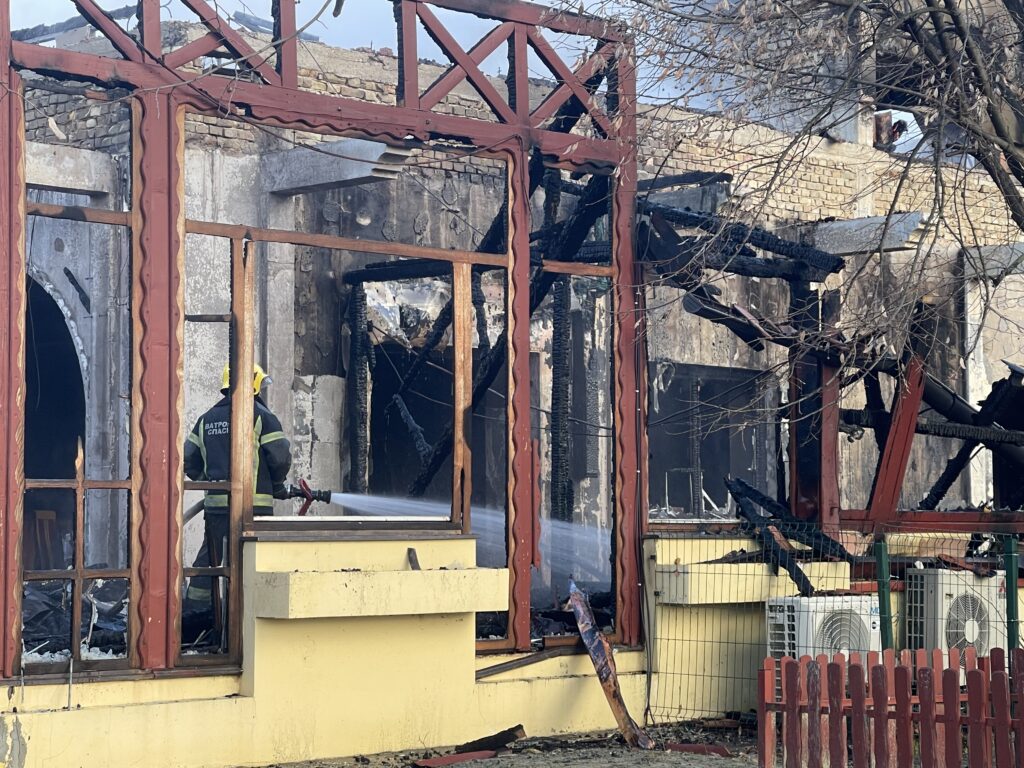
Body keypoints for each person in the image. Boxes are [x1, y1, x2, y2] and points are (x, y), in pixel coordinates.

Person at [182, 364, 291, 645]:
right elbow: (280, 457)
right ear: (253, 384)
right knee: (252, 565)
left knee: (209, 564)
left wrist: (209, 482)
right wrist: (277, 485)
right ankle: (245, 627)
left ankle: (194, 623)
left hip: (216, 509)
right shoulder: (261, 416)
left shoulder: (206, 419)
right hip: (254, 508)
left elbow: (189, 459)